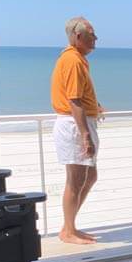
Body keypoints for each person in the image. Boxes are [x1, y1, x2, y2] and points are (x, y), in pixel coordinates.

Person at [51, 16, 103, 245]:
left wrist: (95, 107)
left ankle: (69, 226)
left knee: (89, 176)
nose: (96, 39)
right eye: (92, 35)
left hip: (78, 122)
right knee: (76, 179)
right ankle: (68, 231)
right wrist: (85, 136)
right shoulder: (72, 60)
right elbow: (73, 101)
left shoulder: (76, 59)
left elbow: (78, 96)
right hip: (73, 126)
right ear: (79, 36)